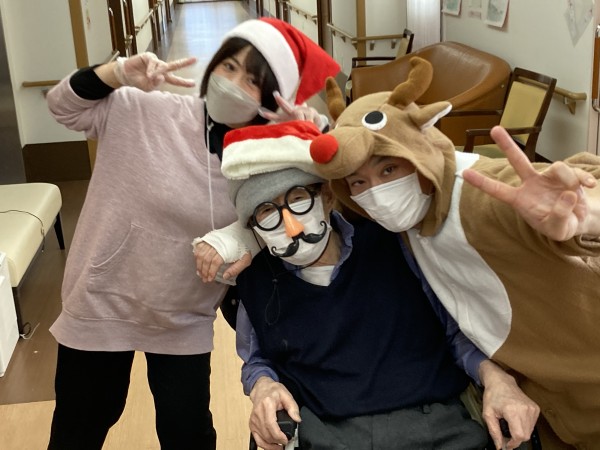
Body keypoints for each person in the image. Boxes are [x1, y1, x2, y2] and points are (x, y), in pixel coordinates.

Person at [44, 17, 339, 450]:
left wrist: (312, 134)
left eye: (253, 81)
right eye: (229, 66)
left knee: (188, 434)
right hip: (102, 300)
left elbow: (325, 199)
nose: (233, 84)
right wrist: (117, 73)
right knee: (80, 426)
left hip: (184, 313)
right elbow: (62, 106)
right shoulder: (142, 110)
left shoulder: (264, 157)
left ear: (273, 98)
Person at [304, 57, 600, 449]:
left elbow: (578, 192)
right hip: (544, 409)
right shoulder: (401, 222)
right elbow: (307, 208)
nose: (376, 192)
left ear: (418, 150)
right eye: (359, 182)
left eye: (389, 169)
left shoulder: (482, 192)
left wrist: (587, 215)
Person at [199, 120, 539, 450]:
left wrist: (496, 377)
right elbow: (256, 359)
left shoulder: (395, 244)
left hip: (437, 423)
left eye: (298, 198)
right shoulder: (257, 281)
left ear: (327, 196)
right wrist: (263, 386)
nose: (291, 228)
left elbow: (454, 332)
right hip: (328, 432)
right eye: (267, 213)